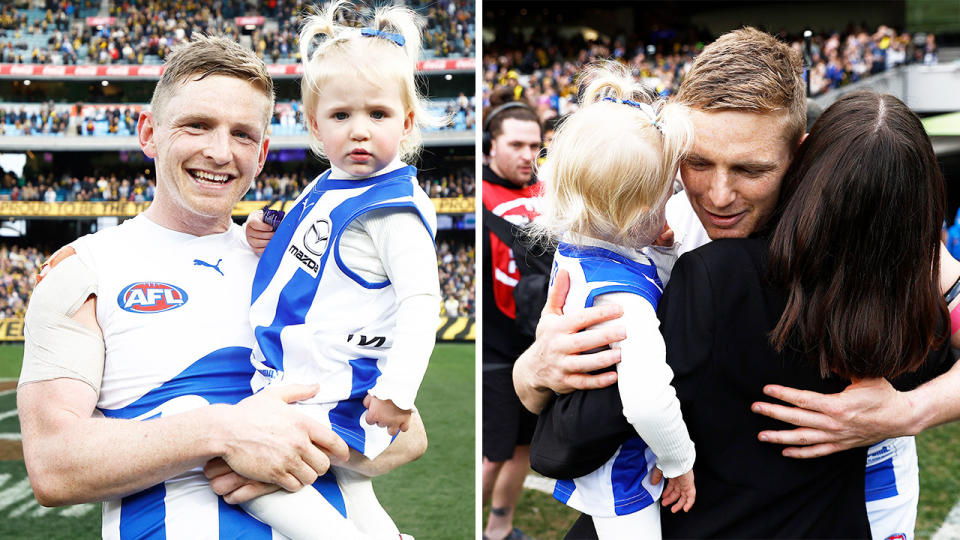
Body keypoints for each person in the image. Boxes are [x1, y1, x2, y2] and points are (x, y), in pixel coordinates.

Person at [513, 28, 960, 540]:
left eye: (751, 169)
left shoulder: (864, 239)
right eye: (698, 163)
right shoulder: (652, 218)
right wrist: (531, 373)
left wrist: (909, 412)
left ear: (802, 152)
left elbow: (563, 444)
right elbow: (561, 429)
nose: (719, 194)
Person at [17, 35, 426, 539]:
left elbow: (408, 437)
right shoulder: (84, 271)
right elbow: (54, 467)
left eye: (242, 135)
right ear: (149, 133)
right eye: (198, 125)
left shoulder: (290, 263)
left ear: (262, 154)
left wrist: (306, 441)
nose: (219, 152)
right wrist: (223, 432)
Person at [239, 3, 440, 539]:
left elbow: (422, 303)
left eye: (378, 115)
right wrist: (260, 235)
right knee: (354, 488)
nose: (359, 132)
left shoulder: (391, 209)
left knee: (248, 476)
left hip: (336, 390)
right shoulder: (332, 182)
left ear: (407, 122)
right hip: (303, 376)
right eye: (341, 116)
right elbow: (314, 256)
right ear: (313, 124)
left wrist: (399, 392)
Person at [529, 60, 696, 538]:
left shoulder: (577, 249)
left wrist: (659, 252)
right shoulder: (624, 302)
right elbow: (647, 402)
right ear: (639, 212)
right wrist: (679, 460)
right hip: (623, 470)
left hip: (594, 447)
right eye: (668, 196)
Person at [481, 91, 546, 540]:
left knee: (525, 446)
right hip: (496, 351)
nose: (528, 156)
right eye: (517, 146)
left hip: (538, 346)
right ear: (491, 147)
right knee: (493, 452)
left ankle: (498, 530)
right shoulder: (480, 195)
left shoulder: (547, 191)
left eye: (534, 146)